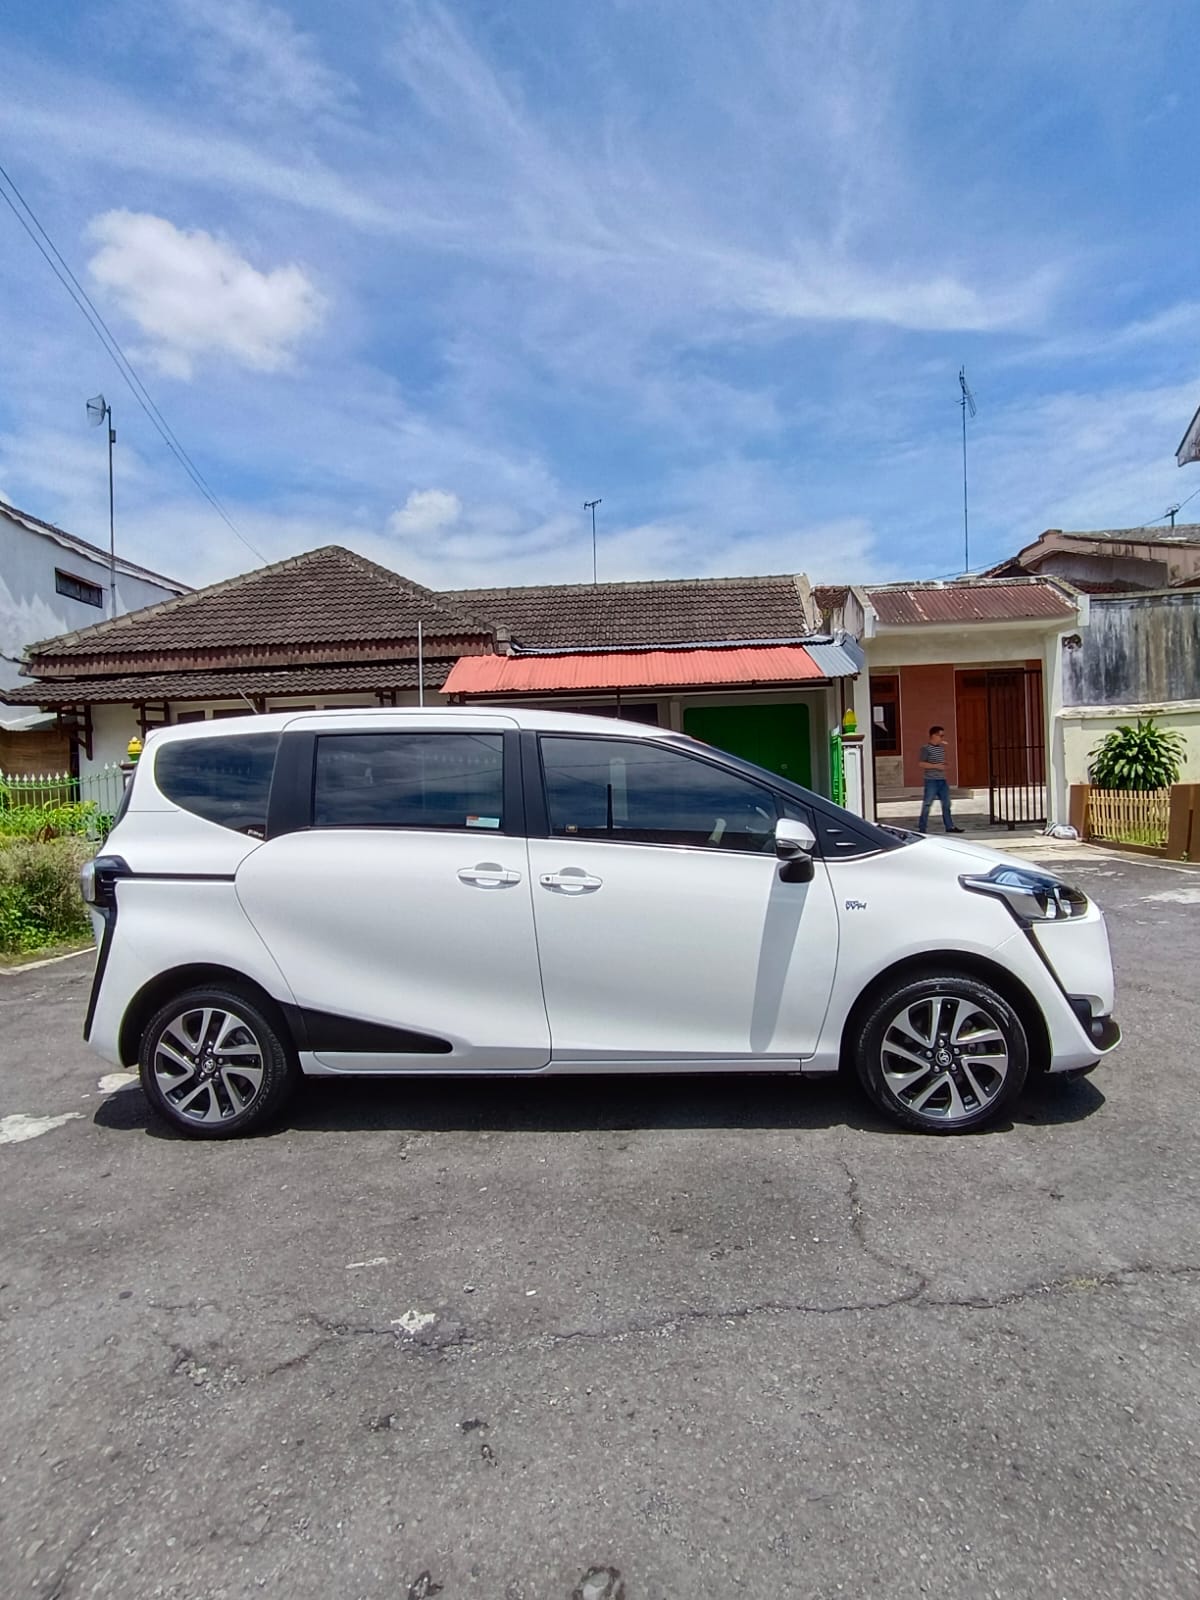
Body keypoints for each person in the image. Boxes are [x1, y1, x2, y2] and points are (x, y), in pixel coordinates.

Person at [917, 725, 964, 834]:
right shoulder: (925, 748)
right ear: (933, 735)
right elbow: (921, 763)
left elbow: (940, 763)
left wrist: (944, 765)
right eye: (940, 735)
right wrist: (936, 766)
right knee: (927, 804)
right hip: (931, 781)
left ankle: (949, 826)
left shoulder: (941, 749)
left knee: (946, 804)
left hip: (942, 780)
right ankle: (922, 827)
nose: (942, 738)